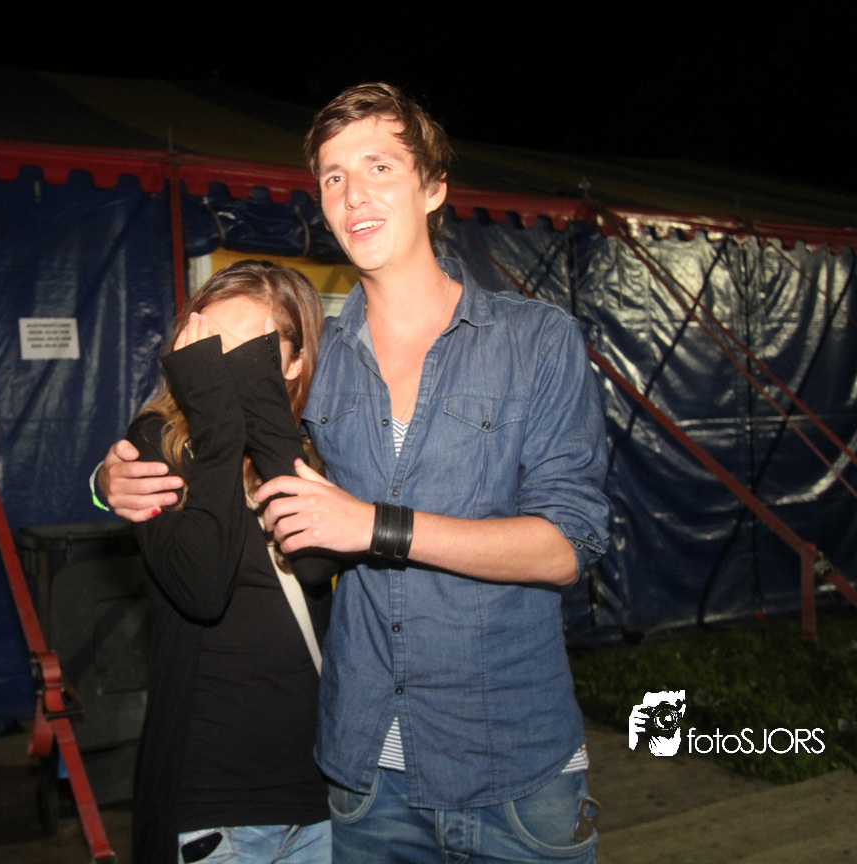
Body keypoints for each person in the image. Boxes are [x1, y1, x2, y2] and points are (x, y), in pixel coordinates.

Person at [102, 84, 610, 863]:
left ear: (434, 187)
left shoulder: (535, 340)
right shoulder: (317, 362)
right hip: (364, 781)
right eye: (333, 176)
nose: (353, 194)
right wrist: (108, 479)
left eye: (379, 166)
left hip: (512, 769)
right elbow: (199, 439)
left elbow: (567, 545)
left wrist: (375, 527)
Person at [125, 260, 335, 864]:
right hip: (214, 803)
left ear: (294, 362)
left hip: (321, 793)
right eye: (209, 345)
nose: (222, 364)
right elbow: (200, 589)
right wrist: (219, 427)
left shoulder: (319, 447)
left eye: (250, 351)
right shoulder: (157, 444)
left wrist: (267, 423)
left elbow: (314, 564)